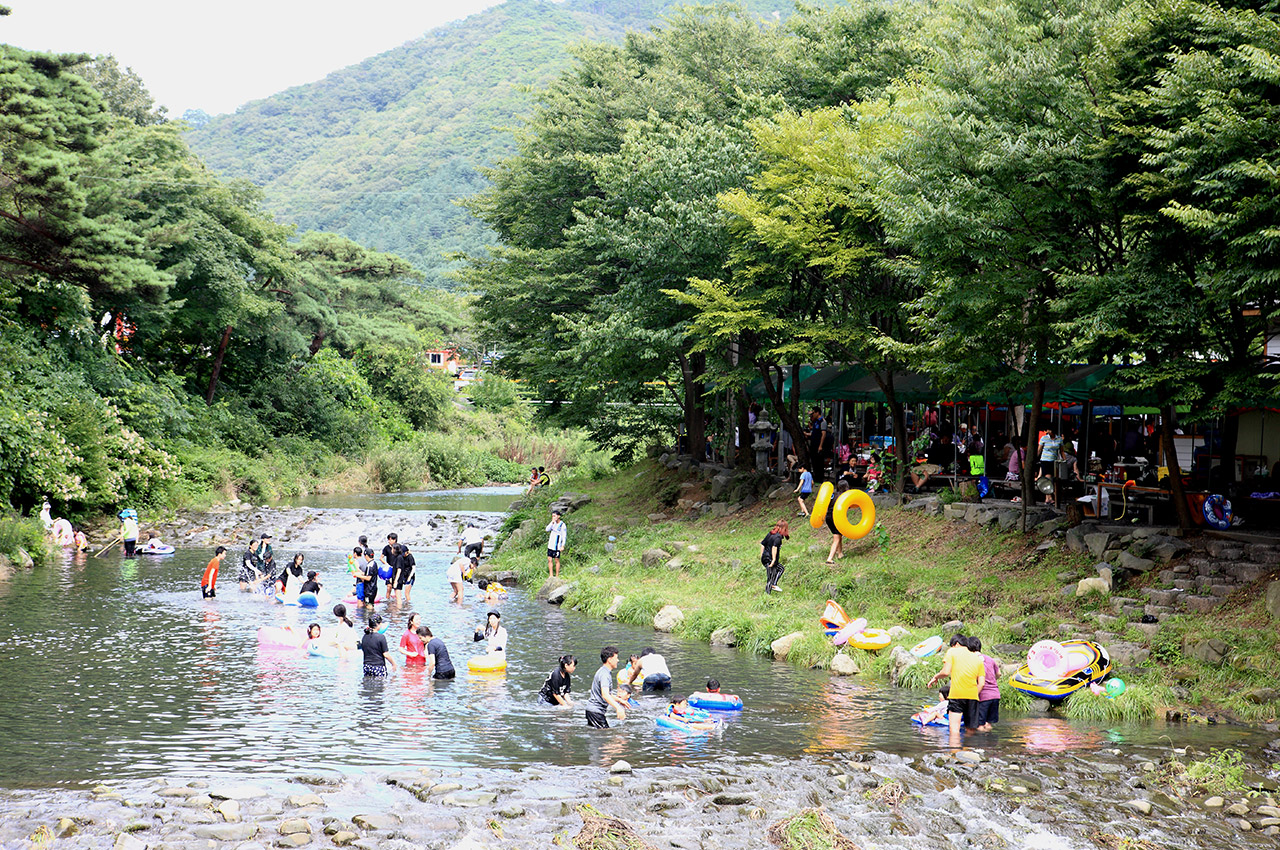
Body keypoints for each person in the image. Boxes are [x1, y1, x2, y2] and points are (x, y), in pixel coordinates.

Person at [927, 634, 986, 739]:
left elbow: (945, 672)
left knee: (954, 730)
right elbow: (981, 683)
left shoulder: (952, 652)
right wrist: (973, 694)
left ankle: (954, 754)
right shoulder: (977, 659)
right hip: (973, 696)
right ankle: (968, 751)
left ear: (957, 644)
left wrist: (936, 677)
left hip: (957, 695)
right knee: (970, 730)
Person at [585, 646, 627, 728]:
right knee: (606, 736)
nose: (618, 660)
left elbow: (606, 694)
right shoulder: (605, 674)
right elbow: (605, 695)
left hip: (593, 711)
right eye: (616, 658)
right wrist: (618, 708)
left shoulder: (603, 671)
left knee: (601, 736)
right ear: (610, 660)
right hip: (595, 712)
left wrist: (619, 700)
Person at [969, 637, 1001, 732]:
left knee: (979, 725)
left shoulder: (972, 660)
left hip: (983, 697)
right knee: (988, 724)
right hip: (995, 695)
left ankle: (982, 744)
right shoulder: (990, 659)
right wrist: (992, 680)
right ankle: (989, 745)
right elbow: (999, 674)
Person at [824, 480, 851, 565]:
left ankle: (840, 554)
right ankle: (829, 559)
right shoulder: (844, 496)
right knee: (836, 538)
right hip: (836, 517)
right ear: (846, 487)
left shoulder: (833, 495)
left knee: (838, 535)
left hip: (828, 517)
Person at [760, 519, 789, 593]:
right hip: (770, 559)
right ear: (782, 528)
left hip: (765, 558)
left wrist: (762, 555)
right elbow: (774, 547)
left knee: (779, 569)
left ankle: (773, 585)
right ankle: (768, 593)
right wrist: (773, 560)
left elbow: (762, 544)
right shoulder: (778, 537)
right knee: (771, 576)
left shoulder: (770, 534)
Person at [545, 509, 567, 579]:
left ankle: (557, 575)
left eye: (554, 516)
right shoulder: (552, 523)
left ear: (558, 516)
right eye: (552, 516)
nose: (553, 517)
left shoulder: (562, 525)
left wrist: (562, 545)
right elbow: (547, 529)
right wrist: (552, 522)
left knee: (556, 560)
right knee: (549, 559)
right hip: (550, 545)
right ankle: (551, 575)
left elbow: (564, 536)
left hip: (557, 545)